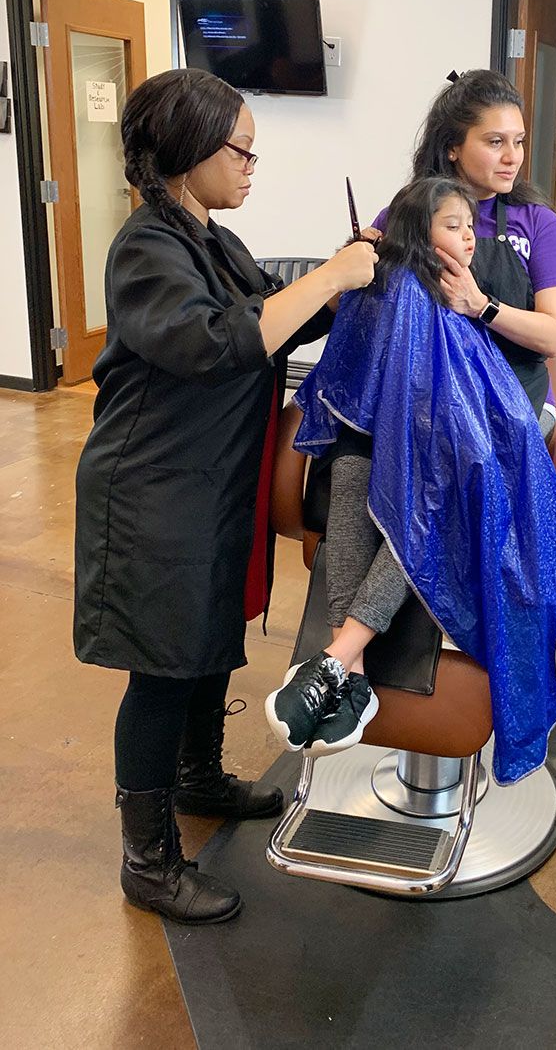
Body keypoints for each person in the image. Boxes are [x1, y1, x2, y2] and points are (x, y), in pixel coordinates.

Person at [74, 68, 378, 927]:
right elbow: (218, 341)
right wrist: (329, 280)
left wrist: (348, 275)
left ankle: (198, 779)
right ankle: (149, 860)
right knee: (162, 669)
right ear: (187, 152)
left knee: (207, 638)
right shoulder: (146, 248)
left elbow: (268, 312)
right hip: (151, 490)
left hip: (208, 482)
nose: (252, 164)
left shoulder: (208, 235)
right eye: (240, 148)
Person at [268, 176, 556, 785]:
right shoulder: (390, 288)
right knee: (354, 482)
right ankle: (347, 672)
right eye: (453, 226)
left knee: (420, 505)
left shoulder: (467, 288)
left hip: (459, 462)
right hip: (385, 443)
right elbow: (360, 383)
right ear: (420, 232)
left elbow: (484, 406)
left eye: (471, 227)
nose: (468, 238)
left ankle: (334, 659)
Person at [369, 70, 556, 436]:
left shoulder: (538, 225)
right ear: (452, 147)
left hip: (515, 398)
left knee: (466, 447)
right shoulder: (403, 217)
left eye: (518, 142)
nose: (512, 158)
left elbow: (552, 337)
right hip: (423, 393)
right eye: (495, 142)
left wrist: (480, 305)